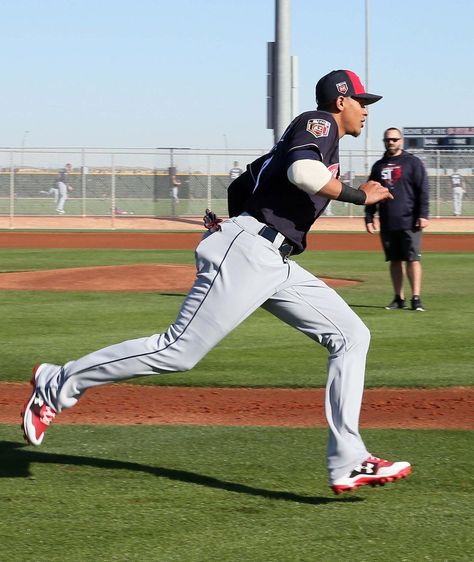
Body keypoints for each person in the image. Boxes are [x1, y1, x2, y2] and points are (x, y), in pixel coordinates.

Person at [22, 69, 412, 495]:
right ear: (341, 102)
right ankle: (58, 382)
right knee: (178, 351)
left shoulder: (318, 140)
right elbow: (303, 175)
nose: (366, 112)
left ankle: (349, 461)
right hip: (251, 251)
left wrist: (233, 222)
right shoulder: (315, 124)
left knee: (352, 335)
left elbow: (243, 182)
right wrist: (360, 195)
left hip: (271, 258)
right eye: (362, 102)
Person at [365, 128, 430, 312]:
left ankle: (416, 298)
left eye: (394, 139)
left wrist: (423, 214)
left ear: (401, 141)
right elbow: (371, 191)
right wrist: (369, 216)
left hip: (410, 220)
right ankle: (398, 298)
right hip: (388, 220)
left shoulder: (413, 162)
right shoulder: (378, 166)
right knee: (394, 260)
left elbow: (423, 190)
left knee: (413, 259)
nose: (391, 142)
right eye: (387, 140)